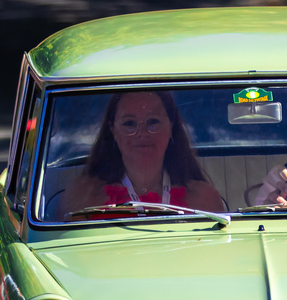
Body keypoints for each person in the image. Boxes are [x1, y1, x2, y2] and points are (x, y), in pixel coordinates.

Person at [63, 90, 226, 215]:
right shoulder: (81, 198)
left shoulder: (205, 199)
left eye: (153, 122)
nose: (142, 133)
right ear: (113, 130)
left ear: (171, 127)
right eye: (129, 123)